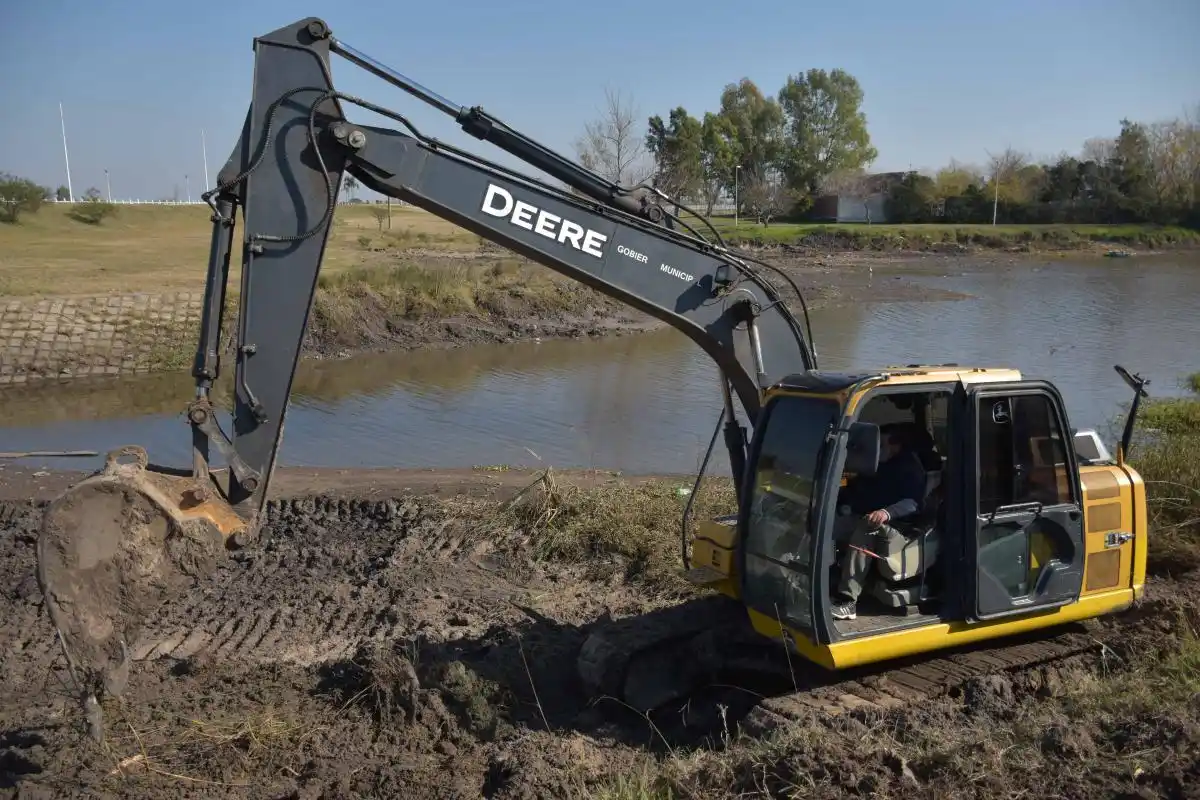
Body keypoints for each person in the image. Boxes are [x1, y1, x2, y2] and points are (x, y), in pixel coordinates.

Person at [829, 423, 928, 621]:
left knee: (867, 527)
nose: (876, 450)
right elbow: (857, 488)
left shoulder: (909, 468)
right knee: (829, 521)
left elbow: (914, 503)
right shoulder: (876, 464)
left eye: (881, 445)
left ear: (896, 445)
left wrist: (886, 512)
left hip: (900, 527)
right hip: (863, 515)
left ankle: (847, 601)